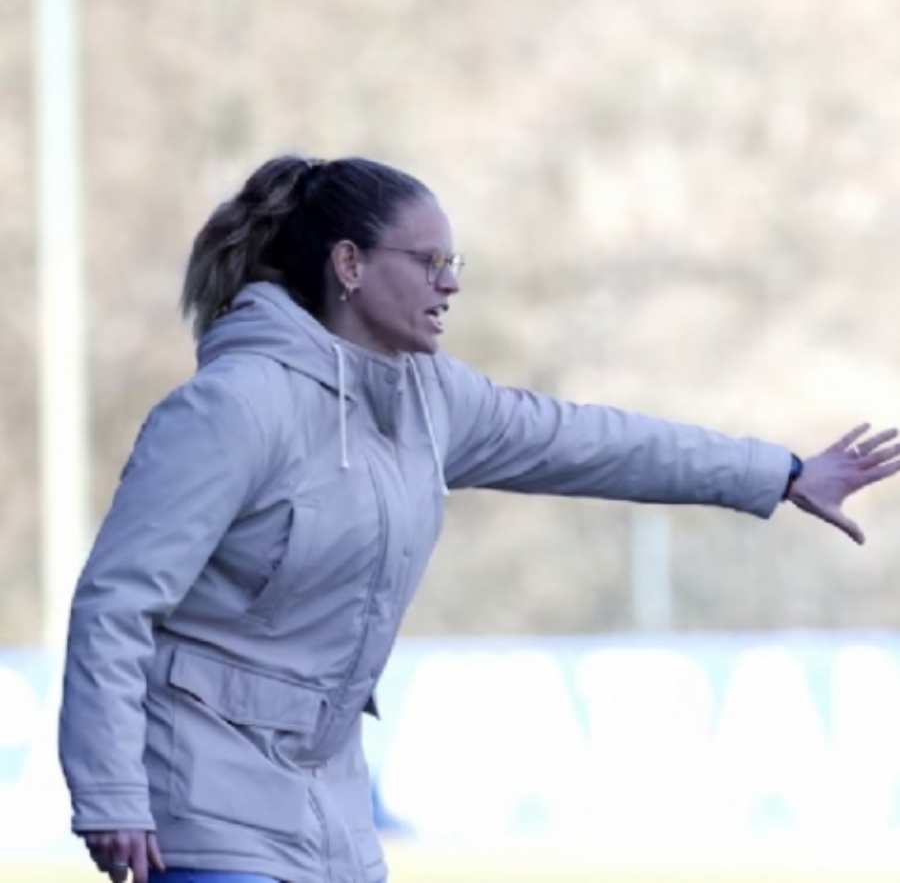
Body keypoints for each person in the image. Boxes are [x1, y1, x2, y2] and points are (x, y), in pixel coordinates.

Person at [58, 154, 900, 883]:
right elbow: (117, 603)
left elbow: (594, 442)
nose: (451, 281)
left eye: (453, 260)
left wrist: (782, 472)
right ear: (348, 264)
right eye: (429, 261)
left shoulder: (432, 399)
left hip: (333, 811)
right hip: (199, 795)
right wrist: (109, 791)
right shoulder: (232, 408)